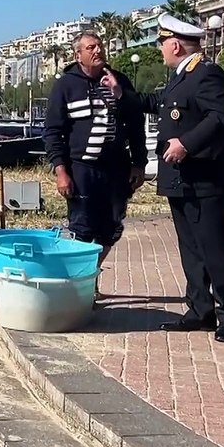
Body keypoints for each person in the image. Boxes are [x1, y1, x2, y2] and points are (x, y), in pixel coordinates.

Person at [101, 13, 224, 342]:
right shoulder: (181, 77)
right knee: (191, 249)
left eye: (162, 43)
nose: (161, 49)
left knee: (214, 249)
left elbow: (220, 117)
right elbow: (158, 103)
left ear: (175, 44)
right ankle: (200, 310)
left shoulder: (207, 74)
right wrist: (121, 93)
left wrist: (186, 144)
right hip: (182, 180)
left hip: (207, 180)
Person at [42, 31, 147, 298]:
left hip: (116, 169)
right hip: (81, 170)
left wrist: (139, 163)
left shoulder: (118, 80)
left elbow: (136, 125)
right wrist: (61, 171)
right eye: (91, 47)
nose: (98, 50)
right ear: (78, 55)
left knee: (111, 227)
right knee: (81, 227)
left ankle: (91, 276)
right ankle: (80, 286)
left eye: (100, 45)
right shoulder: (66, 85)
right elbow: (53, 131)